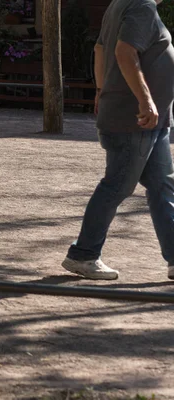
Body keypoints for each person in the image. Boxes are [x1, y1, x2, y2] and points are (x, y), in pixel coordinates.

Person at [62, 0, 174, 281]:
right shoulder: (141, 7)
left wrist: (101, 89)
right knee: (117, 185)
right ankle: (84, 255)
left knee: (162, 186)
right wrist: (146, 101)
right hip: (135, 120)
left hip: (150, 123)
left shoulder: (120, 4)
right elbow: (124, 51)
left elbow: (100, 49)